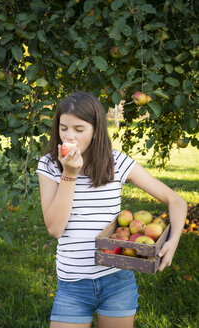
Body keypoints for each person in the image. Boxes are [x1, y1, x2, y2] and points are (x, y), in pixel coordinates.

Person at [36, 91, 187, 328]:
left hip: (117, 280)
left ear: (96, 130)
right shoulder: (49, 164)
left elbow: (176, 201)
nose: (68, 136)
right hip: (72, 285)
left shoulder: (115, 162)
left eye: (79, 129)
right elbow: (55, 228)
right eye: (63, 128)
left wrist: (173, 241)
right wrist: (70, 174)